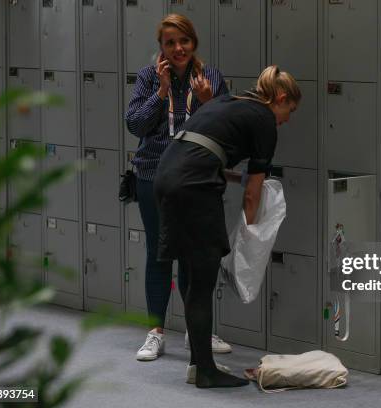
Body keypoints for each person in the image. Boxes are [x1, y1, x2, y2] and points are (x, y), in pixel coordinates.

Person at [153, 65, 301, 388]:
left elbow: (212, 146)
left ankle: (198, 364)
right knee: (203, 279)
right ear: (280, 98)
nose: (286, 119)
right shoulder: (265, 122)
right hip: (193, 184)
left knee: (193, 274)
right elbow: (252, 194)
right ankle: (206, 371)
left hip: (169, 174)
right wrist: (251, 237)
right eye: (288, 110)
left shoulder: (230, 101)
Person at [125, 14, 232, 363]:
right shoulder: (148, 76)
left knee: (191, 255)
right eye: (170, 43)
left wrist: (206, 101)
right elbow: (136, 125)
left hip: (194, 178)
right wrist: (161, 92)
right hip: (152, 175)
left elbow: (226, 127)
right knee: (159, 253)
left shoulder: (211, 77)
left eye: (183, 40)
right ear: (162, 47)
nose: (178, 48)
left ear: (193, 41)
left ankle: (194, 330)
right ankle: (155, 332)